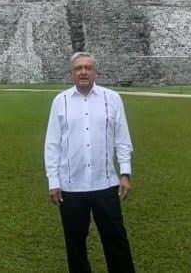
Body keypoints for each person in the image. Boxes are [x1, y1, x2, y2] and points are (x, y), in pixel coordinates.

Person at [44, 52, 136, 272]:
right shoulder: (60, 101)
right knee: (75, 243)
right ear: (71, 74)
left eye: (88, 67)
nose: (83, 72)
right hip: (71, 186)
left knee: (116, 239)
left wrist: (125, 173)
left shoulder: (112, 98)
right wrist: (53, 181)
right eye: (78, 68)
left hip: (106, 183)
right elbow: (52, 144)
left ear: (96, 72)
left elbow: (122, 139)